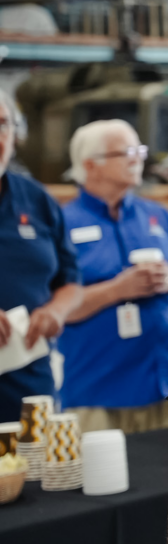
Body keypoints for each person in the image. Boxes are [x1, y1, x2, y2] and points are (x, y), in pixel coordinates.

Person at [58, 120, 168, 434]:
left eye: (140, 150)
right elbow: (52, 309)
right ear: (90, 165)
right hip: (96, 395)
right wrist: (117, 290)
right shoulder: (62, 225)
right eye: (126, 151)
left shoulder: (160, 217)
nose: (138, 158)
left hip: (167, 389)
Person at [0, 89, 82, 421]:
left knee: (34, 472)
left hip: (29, 384)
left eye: (3, 124)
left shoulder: (35, 199)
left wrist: (56, 311)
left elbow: (71, 279)